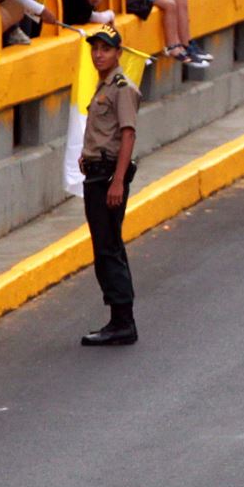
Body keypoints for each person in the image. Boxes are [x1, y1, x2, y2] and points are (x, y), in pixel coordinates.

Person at [78, 23, 141, 347]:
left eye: (105, 49)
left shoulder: (121, 87)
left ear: (118, 53)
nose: (98, 54)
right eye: (95, 48)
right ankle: (119, 318)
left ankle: (122, 321)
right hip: (97, 174)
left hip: (107, 178)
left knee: (109, 249)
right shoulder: (104, 85)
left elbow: (128, 134)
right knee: (105, 247)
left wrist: (117, 181)